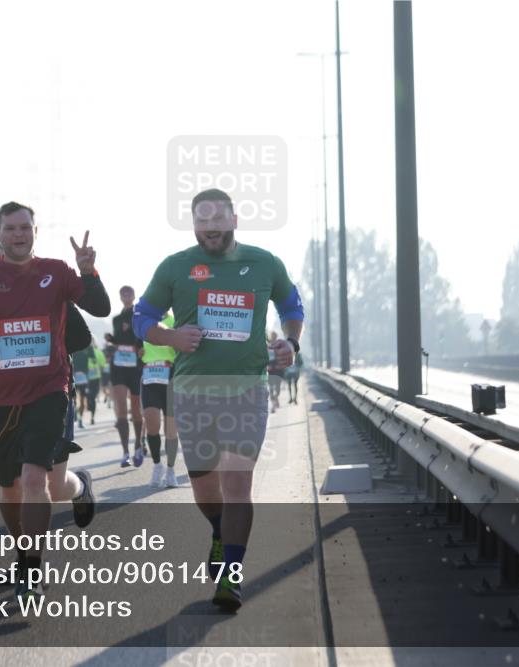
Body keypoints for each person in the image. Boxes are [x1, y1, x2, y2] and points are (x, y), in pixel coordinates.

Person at [134, 188, 303, 612]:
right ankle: (217, 529)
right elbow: (142, 317)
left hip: (247, 388)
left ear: (234, 220)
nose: (210, 227)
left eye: (218, 218)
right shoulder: (175, 267)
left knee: (237, 483)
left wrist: (291, 342)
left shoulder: (264, 263)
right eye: (202, 220)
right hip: (192, 392)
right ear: (194, 224)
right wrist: (171, 337)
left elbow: (291, 305)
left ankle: (231, 575)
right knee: (206, 489)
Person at [0, 201, 110, 604]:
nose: (18, 234)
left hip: (47, 390)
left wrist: (88, 271)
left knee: (35, 480)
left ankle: (32, 567)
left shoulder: (57, 271)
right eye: (10, 228)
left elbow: (100, 308)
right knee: (10, 487)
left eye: (25, 227)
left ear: (35, 231)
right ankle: (26, 548)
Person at [140, 310, 179, 488]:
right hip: (149, 376)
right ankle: (157, 466)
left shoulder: (175, 321)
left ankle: (170, 470)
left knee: (171, 430)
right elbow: (136, 345)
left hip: (170, 376)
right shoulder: (144, 321)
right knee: (152, 423)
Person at [106, 286, 145, 467]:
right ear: (120, 297)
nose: (126, 295)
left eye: (129, 293)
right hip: (119, 366)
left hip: (135, 366)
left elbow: (141, 338)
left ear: (134, 296)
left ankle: (138, 445)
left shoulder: (139, 316)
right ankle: (125, 453)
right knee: (121, 407)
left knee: (136, 409)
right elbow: (120, 340)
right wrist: (111, 340)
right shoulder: (116, 319)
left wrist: (141, 348)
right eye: (123, 293)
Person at [70, 341, 95, 429]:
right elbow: (93, 359)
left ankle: (78, 417)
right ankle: (78, 418)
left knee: (77, 399)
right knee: (79, 399)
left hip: (76, 374)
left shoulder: (74, 342)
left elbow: (93, 358)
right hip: (78, 375)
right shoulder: (87, 344)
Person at [266, 331, 285, 414]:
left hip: (278, 369)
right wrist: (267, 365)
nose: (273, 337)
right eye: (272, 336)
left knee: (277, 388)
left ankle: (276, 398)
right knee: (270, 388)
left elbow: (283, 356)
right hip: (270, 369)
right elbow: (264, 356)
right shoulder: (267, 345)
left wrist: (280, 365)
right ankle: (273, 405)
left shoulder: (279, 345)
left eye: (274, 336)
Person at [85, 338, 103, 425]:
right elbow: (102, 365)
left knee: (90, 398)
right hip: (92, 378)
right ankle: (91, 415)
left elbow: (102, 364)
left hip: (90, 379)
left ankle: (92, 416)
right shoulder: (98, 352)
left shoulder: (84, 352)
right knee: (91, 398)